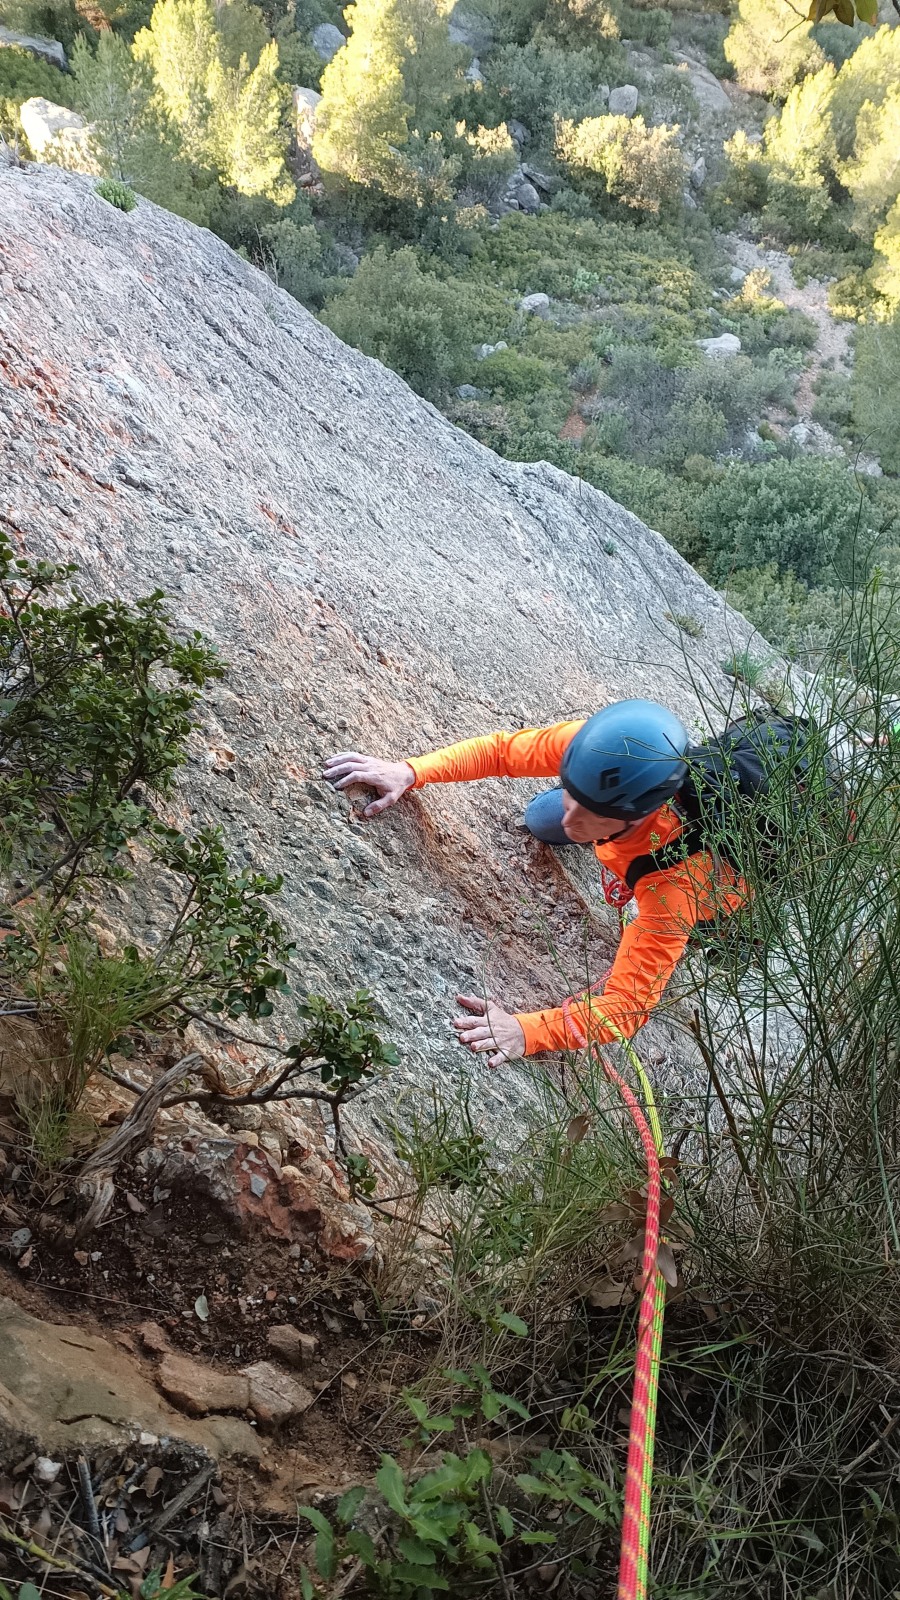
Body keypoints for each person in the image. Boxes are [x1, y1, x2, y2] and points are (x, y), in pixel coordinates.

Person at [324, 701, 745, 1070]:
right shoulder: (592, 749)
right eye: (572, 792)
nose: (571, 817)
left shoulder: (674, 890)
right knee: (543, 818)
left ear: (637, 814)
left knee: (712, 931)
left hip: (715, 876)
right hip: (638, 836)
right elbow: (501, 751)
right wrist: (411, 771)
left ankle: (738, 928)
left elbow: (627, 1008)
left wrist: (527, 1031)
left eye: (592, 811)